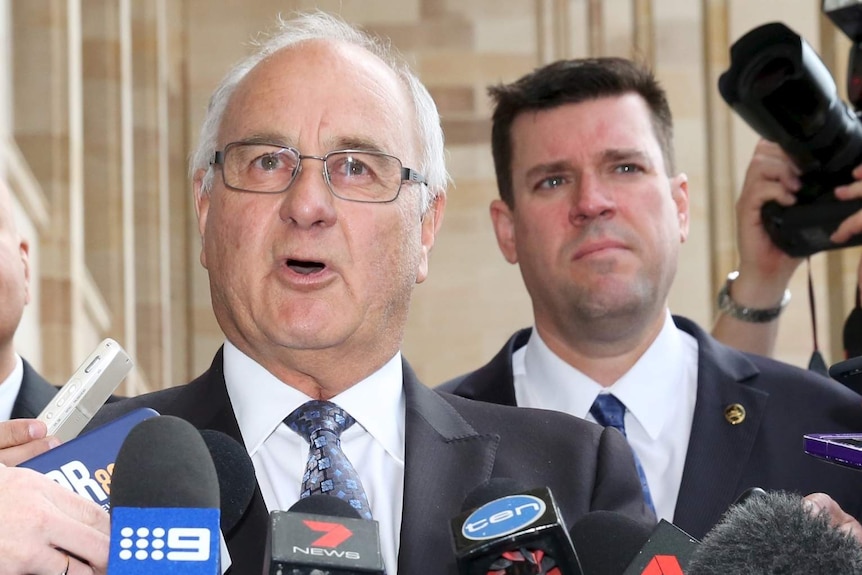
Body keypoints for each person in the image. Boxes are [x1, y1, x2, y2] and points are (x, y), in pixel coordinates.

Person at [84, 12, 653, 575]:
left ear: (426, 228)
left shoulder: (578, 474)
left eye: (356, 167)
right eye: (266, 162)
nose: (308, 205)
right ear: (206, 212)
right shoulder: (79, 468)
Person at [439, 57, 862, 541]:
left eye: (625, 166)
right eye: (552, 180)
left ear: (680, 207)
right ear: (507, 230)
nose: (592, 201)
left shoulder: (832, 432)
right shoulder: (424, 444)